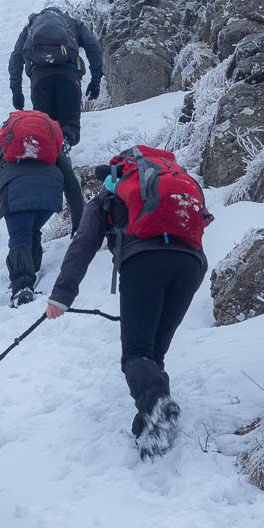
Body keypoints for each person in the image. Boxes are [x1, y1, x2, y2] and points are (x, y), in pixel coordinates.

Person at [44, 146, 211, 457]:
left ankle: (158, 405)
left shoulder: (112, 191)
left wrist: (61, 296)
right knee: (153, 354)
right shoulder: (177, 182)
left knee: (136, 353)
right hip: (190, 266)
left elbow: (84, 242)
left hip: (143, 263)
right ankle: (151, 427)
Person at [0, 110, 85, 307]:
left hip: (15, 191)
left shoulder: (4, 141)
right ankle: (31, 272)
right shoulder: (50, 143)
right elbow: (71, 182)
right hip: (49, 193)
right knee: (31, 230)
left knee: (20, 236)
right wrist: (79, 220)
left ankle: (22, 287)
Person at [8, 4, 103, 147]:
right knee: (69, 127)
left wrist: (16, 91)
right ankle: (64, 147)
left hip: (40, 80)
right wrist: (95, 80)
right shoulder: (73, 23)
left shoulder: (30, 28)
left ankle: (48, 162)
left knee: (44, 129)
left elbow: (16, 57)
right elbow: (93, 47)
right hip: (69, 77)